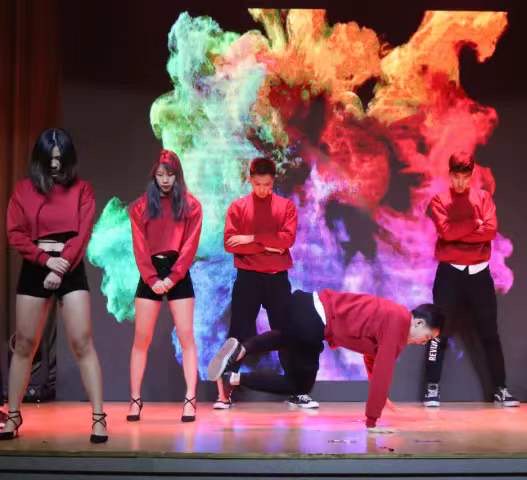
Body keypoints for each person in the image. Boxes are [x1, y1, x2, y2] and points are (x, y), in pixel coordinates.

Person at [208, 289, 444, 431]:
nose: (423, 343)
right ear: (419, 322)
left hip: (304, 305)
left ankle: (242, 349)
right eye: (427, 337)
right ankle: (234, 378)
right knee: (298, 386)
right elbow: (384, 369)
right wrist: (372, 420)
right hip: (315, 319)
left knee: (288, 338)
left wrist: (381, 395)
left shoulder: (394, 317)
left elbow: (373, 359)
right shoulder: (399, 324)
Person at [2, 128, 106, 443]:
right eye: (50, 159)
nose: (56, 164)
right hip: (37, 266)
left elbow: (83, 233)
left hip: (69, 268)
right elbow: (15, 232)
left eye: (61, 158)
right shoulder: (23, 190)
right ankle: (13, 414)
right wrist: (45, 261)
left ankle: (99, 418)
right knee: (25, 344)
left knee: (82, 342)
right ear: (40, 158)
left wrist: (60, 268)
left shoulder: (83, 190)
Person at [215, 157, 313, 409]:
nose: (262, 190)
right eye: (258, 184)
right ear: (250, 180)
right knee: (237, 333)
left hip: (277, 278)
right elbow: (230, 244)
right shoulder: (238, 208)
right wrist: (268, 244)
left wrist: (250, 239)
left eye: (267, 185)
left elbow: (286, 241)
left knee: (286, 333)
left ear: (273, 181)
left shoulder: (286, 207)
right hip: (248, 277)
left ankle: (298, 391)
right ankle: (224, 394)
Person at [422, 155, 517, 407]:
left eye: (465, 176)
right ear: (450, 174)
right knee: (437, 331)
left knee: (490, 333)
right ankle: (432, 387)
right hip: (450, 273)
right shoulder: (439, 200)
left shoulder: (483, 198)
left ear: (471, 175)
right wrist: (474, 224)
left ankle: (501, 388)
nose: (461, 182)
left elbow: (490, 231)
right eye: (456, 176)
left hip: (479, 273)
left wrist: (460, 233)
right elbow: (446, 232)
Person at [127, 149, 202, 422]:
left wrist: (173, 276)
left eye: (170, 174)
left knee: (186, 336)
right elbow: (139, 247)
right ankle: (135, 400)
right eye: (160, 175)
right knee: (141, 338)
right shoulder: (140, 207)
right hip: (151, 271)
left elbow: (190, 245)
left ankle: (190, 400)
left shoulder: (192, 206)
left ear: (177, 175)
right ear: (154, 176)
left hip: (178, 271)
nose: (165, 180)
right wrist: (152, 279)